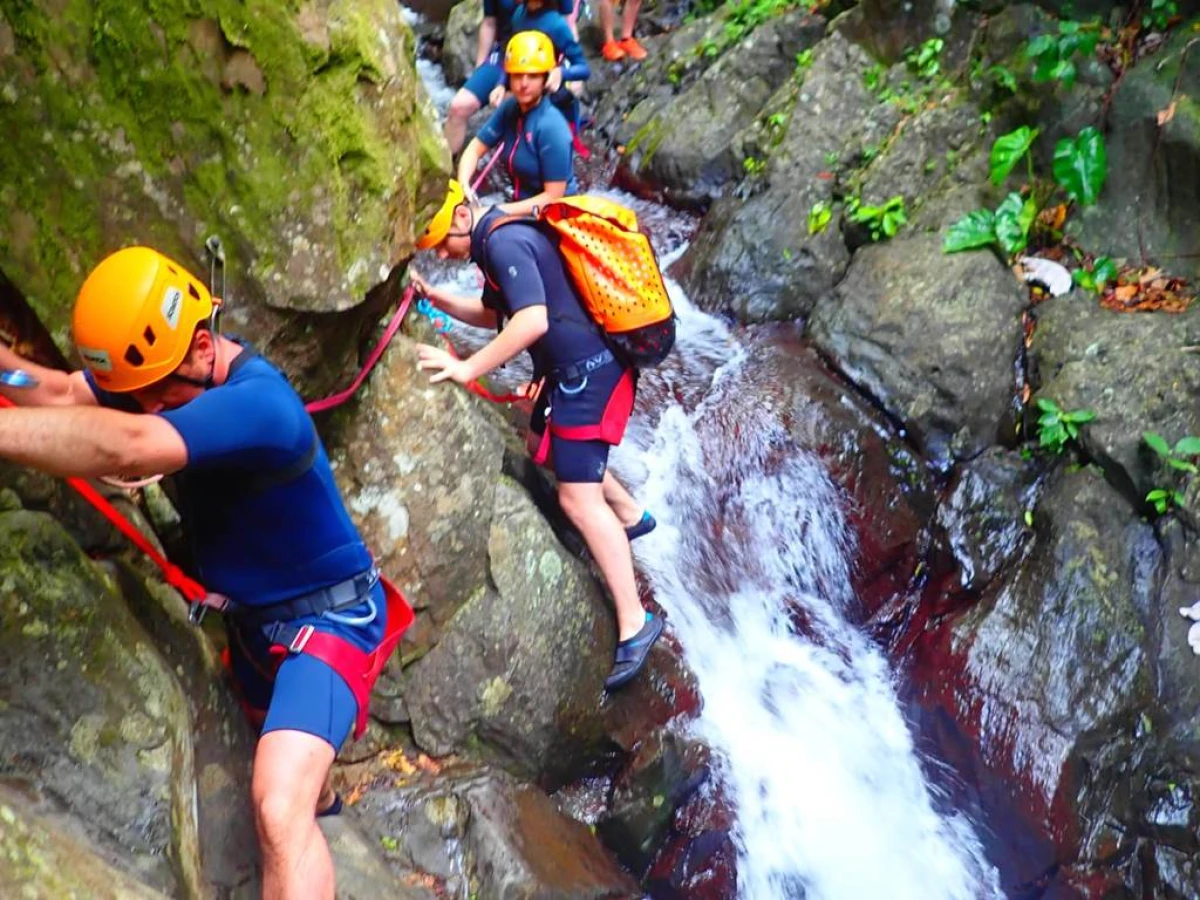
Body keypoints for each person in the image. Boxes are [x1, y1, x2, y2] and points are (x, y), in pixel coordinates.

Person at [0, 246, 405, 900]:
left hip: (330, 622)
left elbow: (129, 444)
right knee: (291, 765)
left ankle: (311, 802)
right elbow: (49, 389)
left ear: (200, 349)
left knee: (278, 806)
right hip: (252, 625)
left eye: (156, 396)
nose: (149, 407)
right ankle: (320, 789)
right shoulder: (163, 371)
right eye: (139, 397)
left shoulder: (261, 406)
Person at [410, 181, 663, 691]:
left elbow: (530, 320)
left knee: (576, 500)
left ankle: (636, 621)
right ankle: (632, 516)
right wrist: (436, 296)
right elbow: (494, 314)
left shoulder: (502, 241)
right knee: (539, 445)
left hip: (591, 373)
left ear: (462, 215)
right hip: (579, 371)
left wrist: (467, 369)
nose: (443, 252)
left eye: (442, 240)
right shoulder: (496, 240)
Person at [458, 30, 585, 217]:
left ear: (545, 78)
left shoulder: (551, 126)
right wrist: (463, 185)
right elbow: (475, 148)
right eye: (517, 75)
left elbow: (553, 198)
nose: (523, 84)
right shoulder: (510, 109)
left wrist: (492, 212)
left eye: (532, 76)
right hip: (521, 208)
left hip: (553, 218)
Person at [443, 0, 577, 155]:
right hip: (504, 58)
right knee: (458, 107)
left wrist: (569, 71)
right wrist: (480, 68)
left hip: (542, 62)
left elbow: (569, 26)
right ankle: (445, 168)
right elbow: (489, 23)